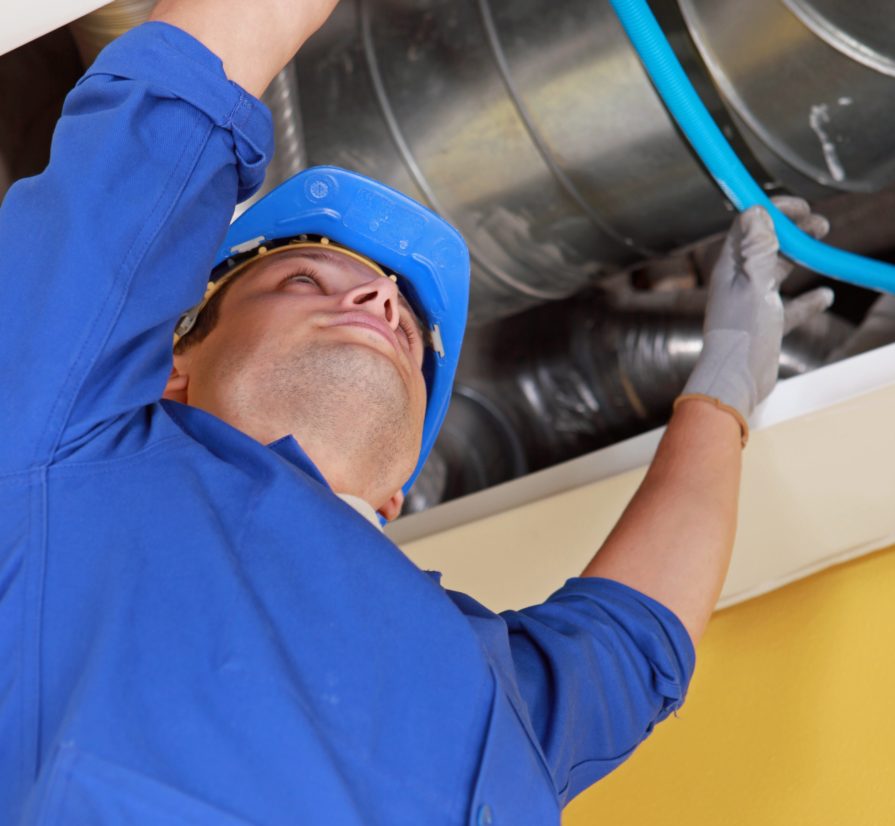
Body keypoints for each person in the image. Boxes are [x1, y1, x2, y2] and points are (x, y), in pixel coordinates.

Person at [0, 1, 833, 823]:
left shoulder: (487, 689)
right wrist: (719, 403)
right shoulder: (66, 440)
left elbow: (639, 642)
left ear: (398, 491)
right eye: (303, 278)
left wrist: (723, 385)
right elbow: (642, 643)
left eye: (405, 326)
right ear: (172, 373)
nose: (378, 296)